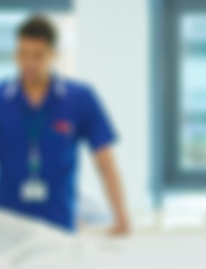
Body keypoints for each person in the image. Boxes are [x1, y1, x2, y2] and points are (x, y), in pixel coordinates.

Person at [0, 14, 129, 233]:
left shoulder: (79, 98)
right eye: (22, 54)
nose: (28, 62)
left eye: (37, 55)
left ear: (54, 54)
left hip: (60, 227)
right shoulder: (2, 97)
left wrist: (121, 218)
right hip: (7, 228)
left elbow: (105, 161)